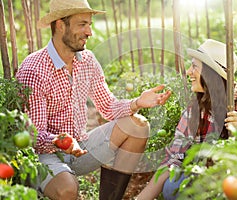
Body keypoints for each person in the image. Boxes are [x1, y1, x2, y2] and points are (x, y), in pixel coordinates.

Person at [16, 0, 171, 199]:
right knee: (67, 190)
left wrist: (137, 103)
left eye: (90, 24)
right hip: (46, 155)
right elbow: (33, 138)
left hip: (81, 147)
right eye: (82, 24)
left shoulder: (87, 60)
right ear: (60, 25)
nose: (89, 32)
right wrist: (61, 142)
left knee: (138, 126)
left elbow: (107, 106)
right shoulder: (35, 70)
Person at [136, 39, 237, 200]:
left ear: (210, 74)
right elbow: (174, 158)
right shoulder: (195, 111)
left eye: (195, 67)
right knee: (173, 186)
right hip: (219, 178)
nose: (188, 72)